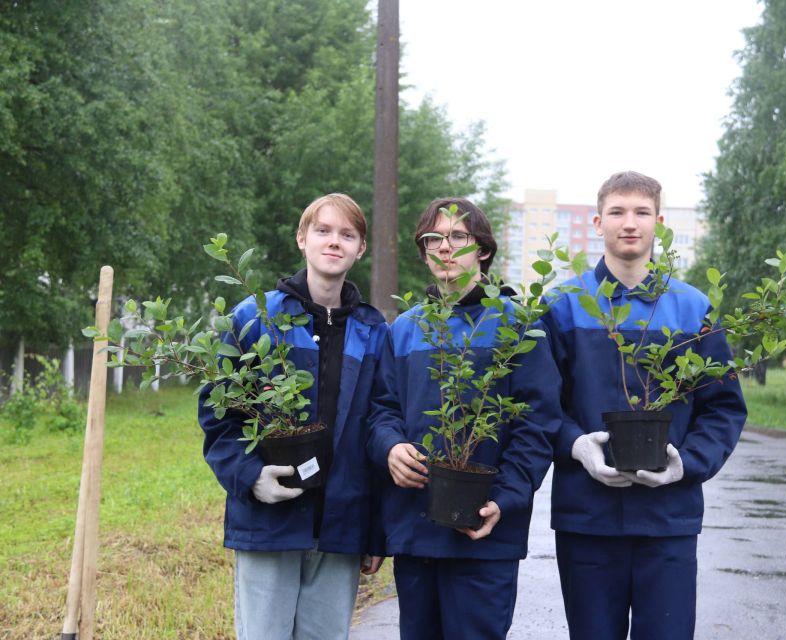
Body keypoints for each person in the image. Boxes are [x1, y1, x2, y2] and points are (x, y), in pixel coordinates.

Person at [543, 172, 748, 640]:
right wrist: (577, 448)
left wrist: (686, 464)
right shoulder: (563, 306)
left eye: (640, 212)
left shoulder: (692, 308)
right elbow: (539, 406)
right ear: (598, 221)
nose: (628, 223)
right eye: (617, 212)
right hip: (586, 517)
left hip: (668, 518)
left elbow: (723, 408)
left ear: (659, 222)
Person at [366, 197, 562, 640]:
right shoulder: (406, 329)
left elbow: (537, 426)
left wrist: (506, 500)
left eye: (458, 237)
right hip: (415, 530)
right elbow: (382, 410)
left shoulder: (518, 327)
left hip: (485, 533)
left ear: (484, 250)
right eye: (433, 239)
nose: (445, 248)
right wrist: (390, 447)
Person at [198, 193, 389, 640]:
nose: (334, 242)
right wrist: (249, 477)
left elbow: (378, 428)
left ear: (361, 248)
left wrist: (375, 532)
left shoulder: (373, 332)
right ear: (302, 239)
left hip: (341, 528)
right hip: (270, 522)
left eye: (347, 234)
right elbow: (218, 414)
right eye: (323, 230)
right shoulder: (256, 319)